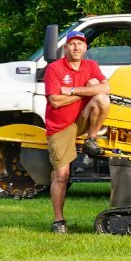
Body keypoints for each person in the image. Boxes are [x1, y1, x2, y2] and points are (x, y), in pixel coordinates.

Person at [43, 29, 109, 234]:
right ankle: (59, 221)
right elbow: (55, 100)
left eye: (80, 43)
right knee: (61, 175)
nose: (76, 47)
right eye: (72, 43)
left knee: (101, 98)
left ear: (86, 47)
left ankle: (92, 138)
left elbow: (106, 89)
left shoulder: (91, 66)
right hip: (60, 126)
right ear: (66, 47)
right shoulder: (54, 69)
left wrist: (72, 91)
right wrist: (86, 93)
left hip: (82, 120)